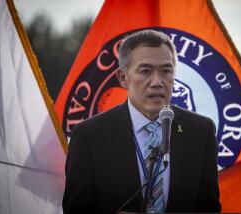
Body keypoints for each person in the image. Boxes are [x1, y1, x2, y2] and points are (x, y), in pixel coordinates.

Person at [62, 29, 221, 213]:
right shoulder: (89, 136)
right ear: (123, 78)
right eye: (145, 71)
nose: (157, 82)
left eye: (166, 71)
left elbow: (209, 208)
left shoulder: (201, 132)